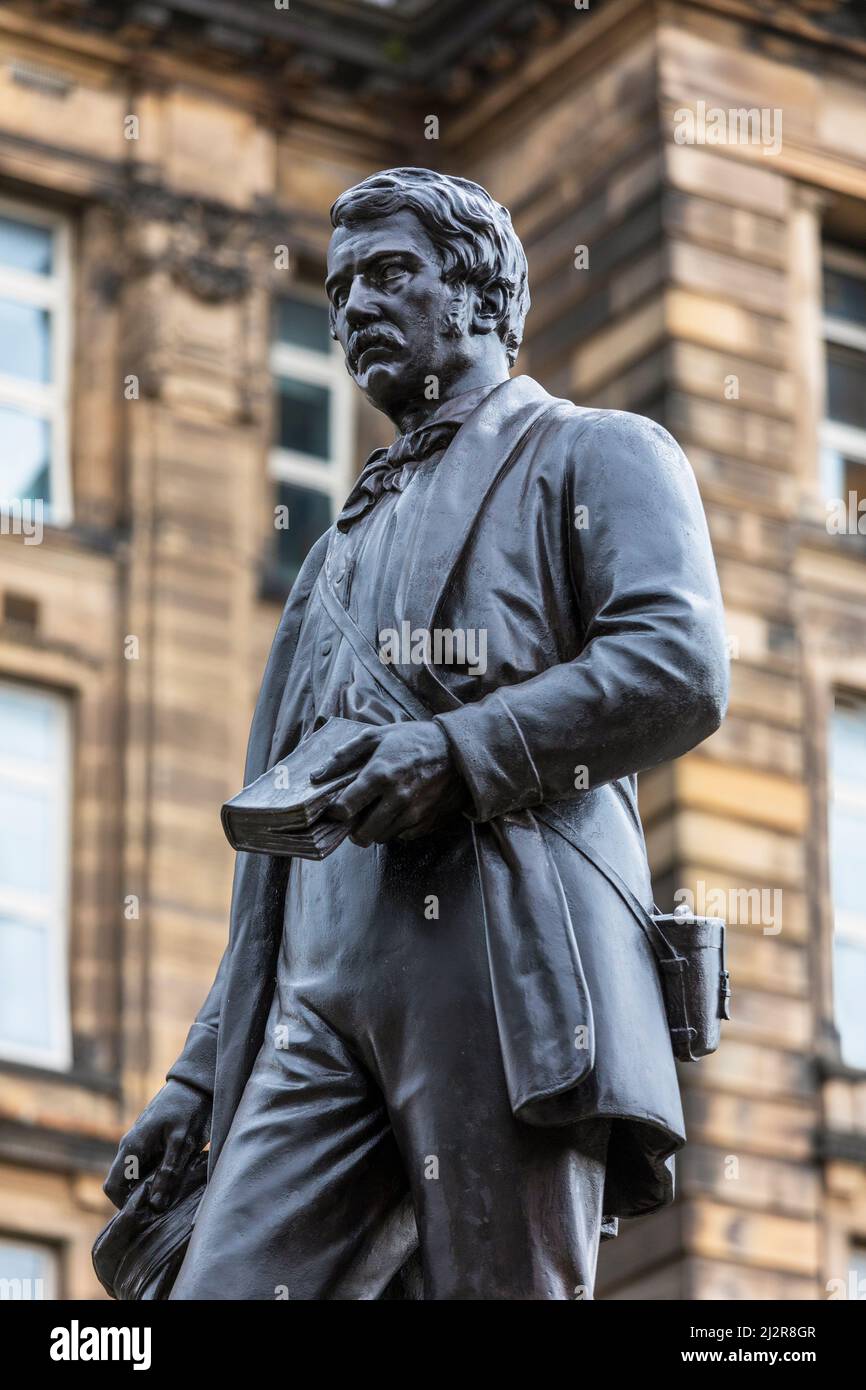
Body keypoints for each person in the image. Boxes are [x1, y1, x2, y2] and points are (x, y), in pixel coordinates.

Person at [103, 167, 728, 1300]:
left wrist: (453, 754)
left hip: (501, 954)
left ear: (482, 293)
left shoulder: (596, 453)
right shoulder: (329, 556)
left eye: (389, 274)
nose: (353, 310)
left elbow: (675, 671)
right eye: (338, 290)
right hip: (317, 994)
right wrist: (199, 1078)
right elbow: (268, 877)